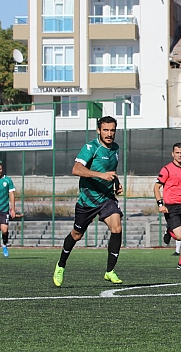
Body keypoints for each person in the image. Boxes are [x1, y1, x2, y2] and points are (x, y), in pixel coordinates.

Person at [53, 116, 124, 287]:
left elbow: (110, 170)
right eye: (105, 130)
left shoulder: (115, 148)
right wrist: (101, 176)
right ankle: (61, 265)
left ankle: (109, 271)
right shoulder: (90, 147)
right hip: (88, 200)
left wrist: (116, 182)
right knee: (77, 235)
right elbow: (76, 169)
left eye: (112, 130)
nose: (109, 134)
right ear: (99, 130)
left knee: (117, 227)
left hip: (106, 198)